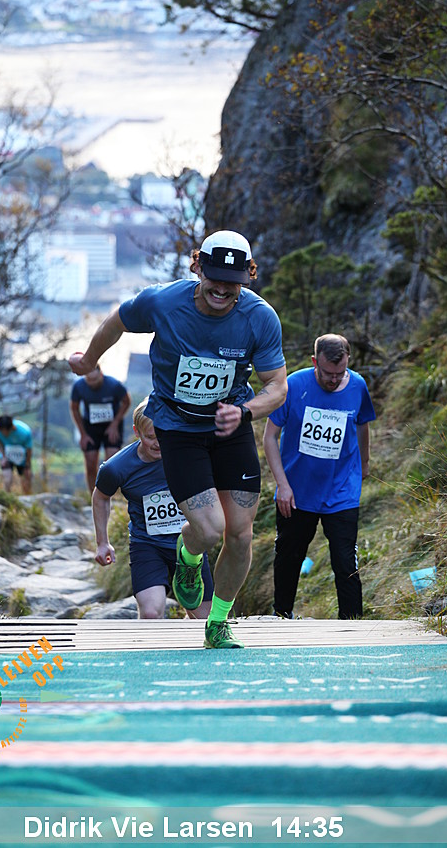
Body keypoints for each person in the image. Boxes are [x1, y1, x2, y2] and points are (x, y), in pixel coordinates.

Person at [69, 230, 288, 649]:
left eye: (233, 281)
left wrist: (244, 411)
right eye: (215, 278)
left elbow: (277, 386)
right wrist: (89, 360)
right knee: (209, 529)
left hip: (230, 425)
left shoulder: (260, 317)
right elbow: (117, 321)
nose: (222, 289)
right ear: (197, 265)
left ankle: (217, 624)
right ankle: (188, 558)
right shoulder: (162, 302)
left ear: (249, 274)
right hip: (179, 428)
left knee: (240, 535)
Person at [263, 333, 376, 620]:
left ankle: (352, 624)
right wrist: (282, 485)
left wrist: (364, 464)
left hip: (342, 490)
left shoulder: (358, 385)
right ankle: (282, 615)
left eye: (340, 372)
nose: (334, 379)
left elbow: (363, 424)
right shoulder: (293, 385)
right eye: (328, 373)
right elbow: (269, 437)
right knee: (289, 556)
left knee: (345, 561)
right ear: (315, 362)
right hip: (297, 491)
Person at [92, 398, 213, 619]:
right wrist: (102, 542)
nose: (158, 444)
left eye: (163, 436)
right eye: (150, 437)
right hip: (147, 544)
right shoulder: (116, 468)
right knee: (150, 614)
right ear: (136, 432)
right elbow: (100, 497)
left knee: (203, 619)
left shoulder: (189, 454)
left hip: (189, 545)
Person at [70, 365, 131, 495]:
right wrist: (83, 434)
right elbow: (74, 408)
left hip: (112, 425)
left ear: (101, 375)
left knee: (111, 464)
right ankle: (94, 497)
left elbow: (126, 402)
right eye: (89, 381)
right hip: (91, 426)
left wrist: (115, 424)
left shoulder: (114, 385)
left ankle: (110, 496)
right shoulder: (79, 386)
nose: (92, 384)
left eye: (95, 380)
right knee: (90, 463)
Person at [0, 414, 33, 495]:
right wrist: (3, 456)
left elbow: (29, 449)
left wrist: (27, 465)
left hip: (22, 458)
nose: (3, 434)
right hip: (6, 455)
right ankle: (6, 497)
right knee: (7, 478)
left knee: (26, 479)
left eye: (5, 432)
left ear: (11, 428)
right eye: (1, 432)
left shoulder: (25, 432)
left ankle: (27, 498)